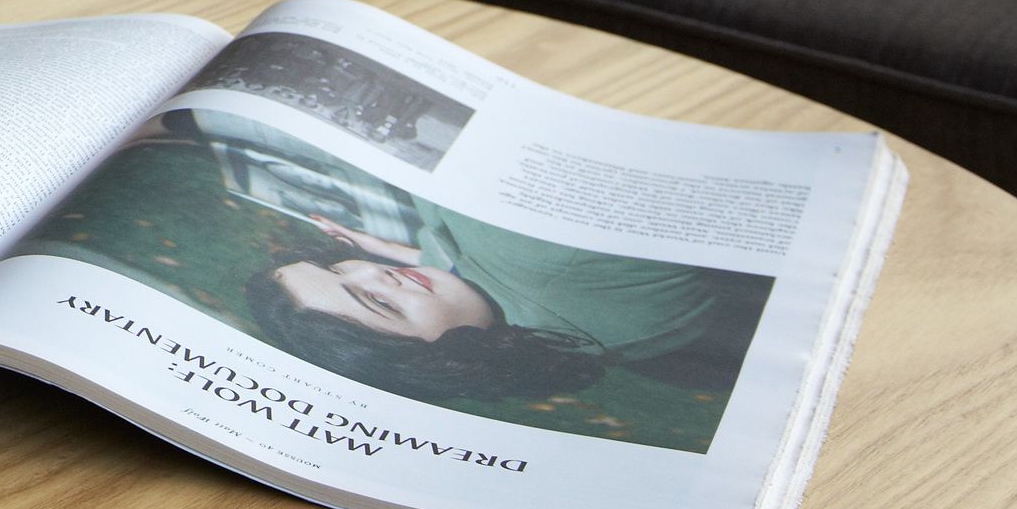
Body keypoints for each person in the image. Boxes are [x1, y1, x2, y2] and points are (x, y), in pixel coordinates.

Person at [158, 110, 762, 404]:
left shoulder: (545, 329)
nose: (375, 273)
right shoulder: (530, 249)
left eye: (342, 267)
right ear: (437, 363)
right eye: (373, 299)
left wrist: (406, 253)